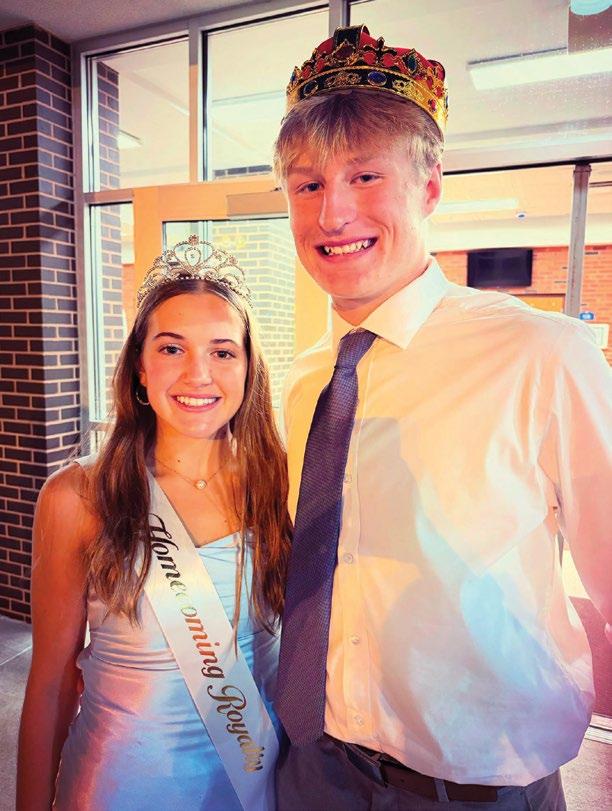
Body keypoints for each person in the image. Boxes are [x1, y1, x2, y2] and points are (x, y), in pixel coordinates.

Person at [272, 24, 612, 811]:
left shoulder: (542, 355)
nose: (332, 213)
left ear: (429, 187)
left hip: (475, 789)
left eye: (365, 175)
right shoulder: (305, 378)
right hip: (313, 770)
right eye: (307, 185)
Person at [17, 236, 290, 811]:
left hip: (255, 782)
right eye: (171, 348)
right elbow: (50, 684)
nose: (198, 374)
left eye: (223, 352)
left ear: (249, 369)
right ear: (139, 368)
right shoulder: (79, 497)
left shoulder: (282, 483)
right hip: (118, 786)